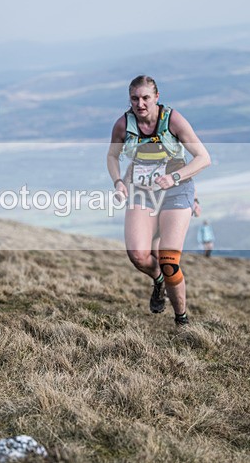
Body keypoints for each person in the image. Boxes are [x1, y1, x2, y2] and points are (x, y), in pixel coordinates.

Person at [107, 75, 211, 326]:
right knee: (138, 255)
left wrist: (174, 176)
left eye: (145, 98)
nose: (140, 104)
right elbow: (112, 155)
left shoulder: (172, 120)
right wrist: (118, 182)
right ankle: (158, 281)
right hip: (142, 192)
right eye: (135, 98)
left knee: (168, 259)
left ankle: (181, 320)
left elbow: (203, 157)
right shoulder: (123, 124)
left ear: (156, 97)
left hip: (176, 191)